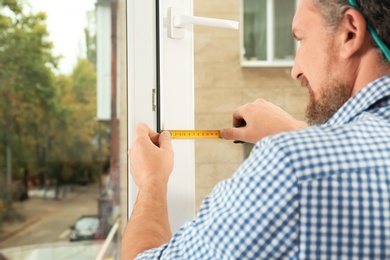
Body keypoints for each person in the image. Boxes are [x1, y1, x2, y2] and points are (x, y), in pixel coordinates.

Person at [121, 0, 390, 259]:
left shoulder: (291, 168)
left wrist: (152, 182)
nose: (296, 70)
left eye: (301, 38)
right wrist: (301, 134)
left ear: (349, 33)